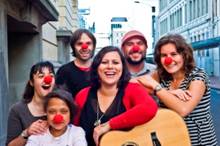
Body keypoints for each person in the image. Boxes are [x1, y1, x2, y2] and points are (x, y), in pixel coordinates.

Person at [136, 34, 218, 146]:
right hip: (170, 141)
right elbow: (132, 86)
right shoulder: (160, 75)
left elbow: (183, 109)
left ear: (184, 55)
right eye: (164, 55)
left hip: (198, 142)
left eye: (174, 54)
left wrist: (156, 88)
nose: (169, 60)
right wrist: (168, 92)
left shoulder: (198, 76)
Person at [74, 46, 158, 146]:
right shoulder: (82, 95)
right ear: (96, 67)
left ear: (123, 67)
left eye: (115, 62)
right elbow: (72, 128)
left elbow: (149, 108)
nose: (110, 66)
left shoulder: (132, 89)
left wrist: (110, 124)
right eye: (104, 62)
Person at [6, 61, 55, 146]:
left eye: (51, 76)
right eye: (41, 76)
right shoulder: (17, 110)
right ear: (31, 82)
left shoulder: (61, 107)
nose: (48, 79)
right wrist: (26, 133)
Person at [56, 28, 96, 98]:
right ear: (73, 47)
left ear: (93, 46)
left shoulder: (99, 69)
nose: (84, 47)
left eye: (88, 43)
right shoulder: (64, 71)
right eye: (79, 44)